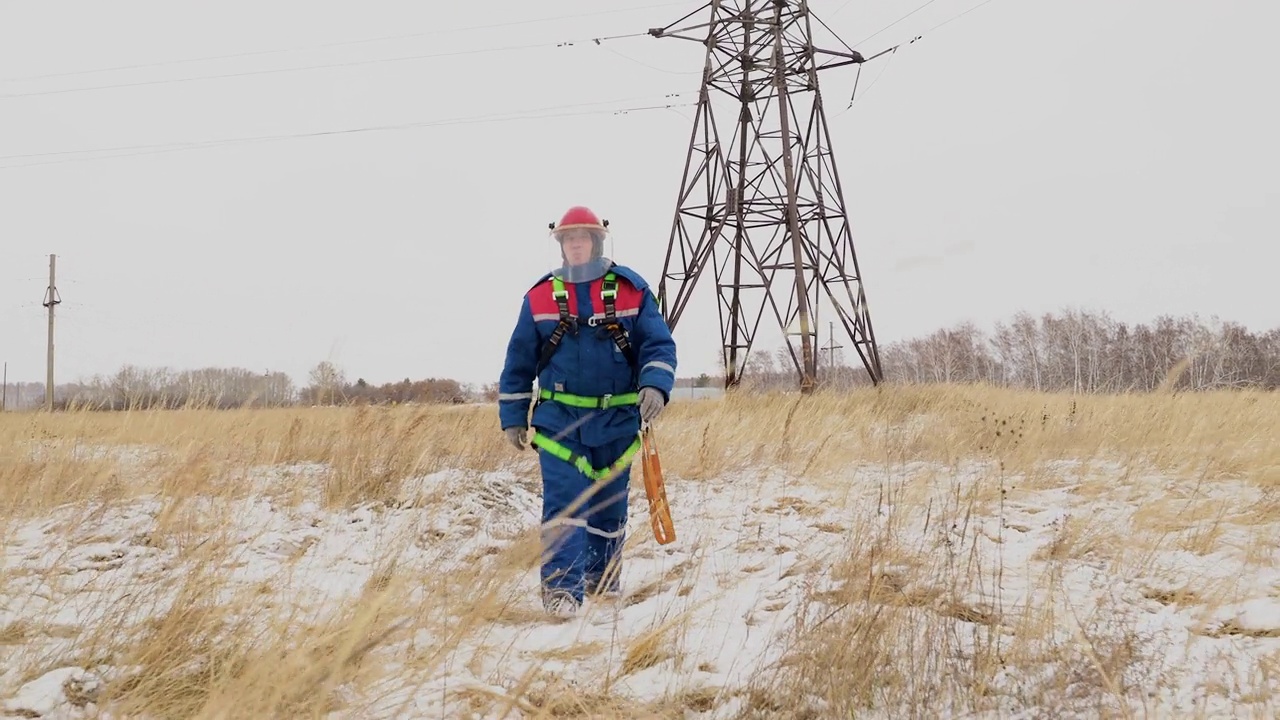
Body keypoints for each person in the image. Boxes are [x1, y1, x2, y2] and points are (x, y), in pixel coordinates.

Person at [498, 205, 677, 618]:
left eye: (583, 238)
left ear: (596, 241)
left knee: (609, 510)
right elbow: (519, 361)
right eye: (568, 239)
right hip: (558, 423)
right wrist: (513, 416)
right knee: (563, 506)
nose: (576, 244)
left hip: (617, 424)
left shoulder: (632, 290)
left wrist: (655, 385)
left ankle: (602, 582)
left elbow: (659, 345)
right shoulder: (540, 297)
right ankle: (562, 592)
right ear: (561, 244)